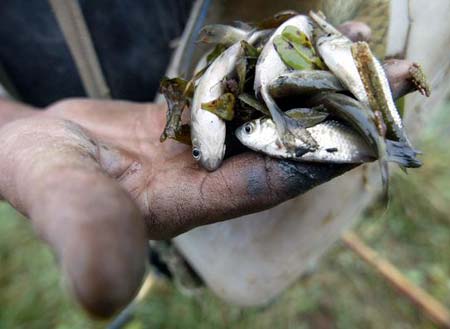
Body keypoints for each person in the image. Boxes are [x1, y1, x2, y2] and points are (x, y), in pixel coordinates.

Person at [0, 0, 418, 318]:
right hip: (70, 102)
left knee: (284, 208)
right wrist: (16, 126)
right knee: (112, 224)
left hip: (218, 25)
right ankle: (164, 263)